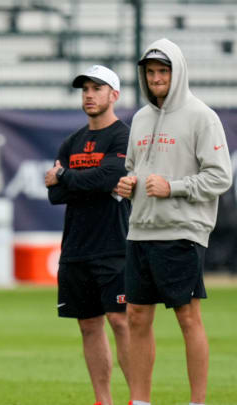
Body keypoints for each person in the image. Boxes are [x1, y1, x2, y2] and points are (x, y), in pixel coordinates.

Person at [116, 38, 232, 405]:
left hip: (183, 231)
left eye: (163, 71)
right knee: (135, 316)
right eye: (150, 72)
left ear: (177, 72)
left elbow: (220, 177)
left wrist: (174, 187)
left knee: (187, 316)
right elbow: (135, 169)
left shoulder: (202, 116)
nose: (156, 78)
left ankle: (197, 401)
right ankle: (140, 401)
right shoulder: (140, 118)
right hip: (140, 230)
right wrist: (127, 183)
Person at [44, 65, 131, 405]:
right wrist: (78, 182)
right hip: (76, 248)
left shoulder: (123, 137)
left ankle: (138, 398)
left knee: (120, 323)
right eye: (85, 89)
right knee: (88, 326)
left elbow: (108, 178)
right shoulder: (72, 141)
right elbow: (56, 195)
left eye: (97, 88)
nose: (89, 94)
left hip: (114, 246)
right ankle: (103, 400)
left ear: (114, 95)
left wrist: (67, 178)